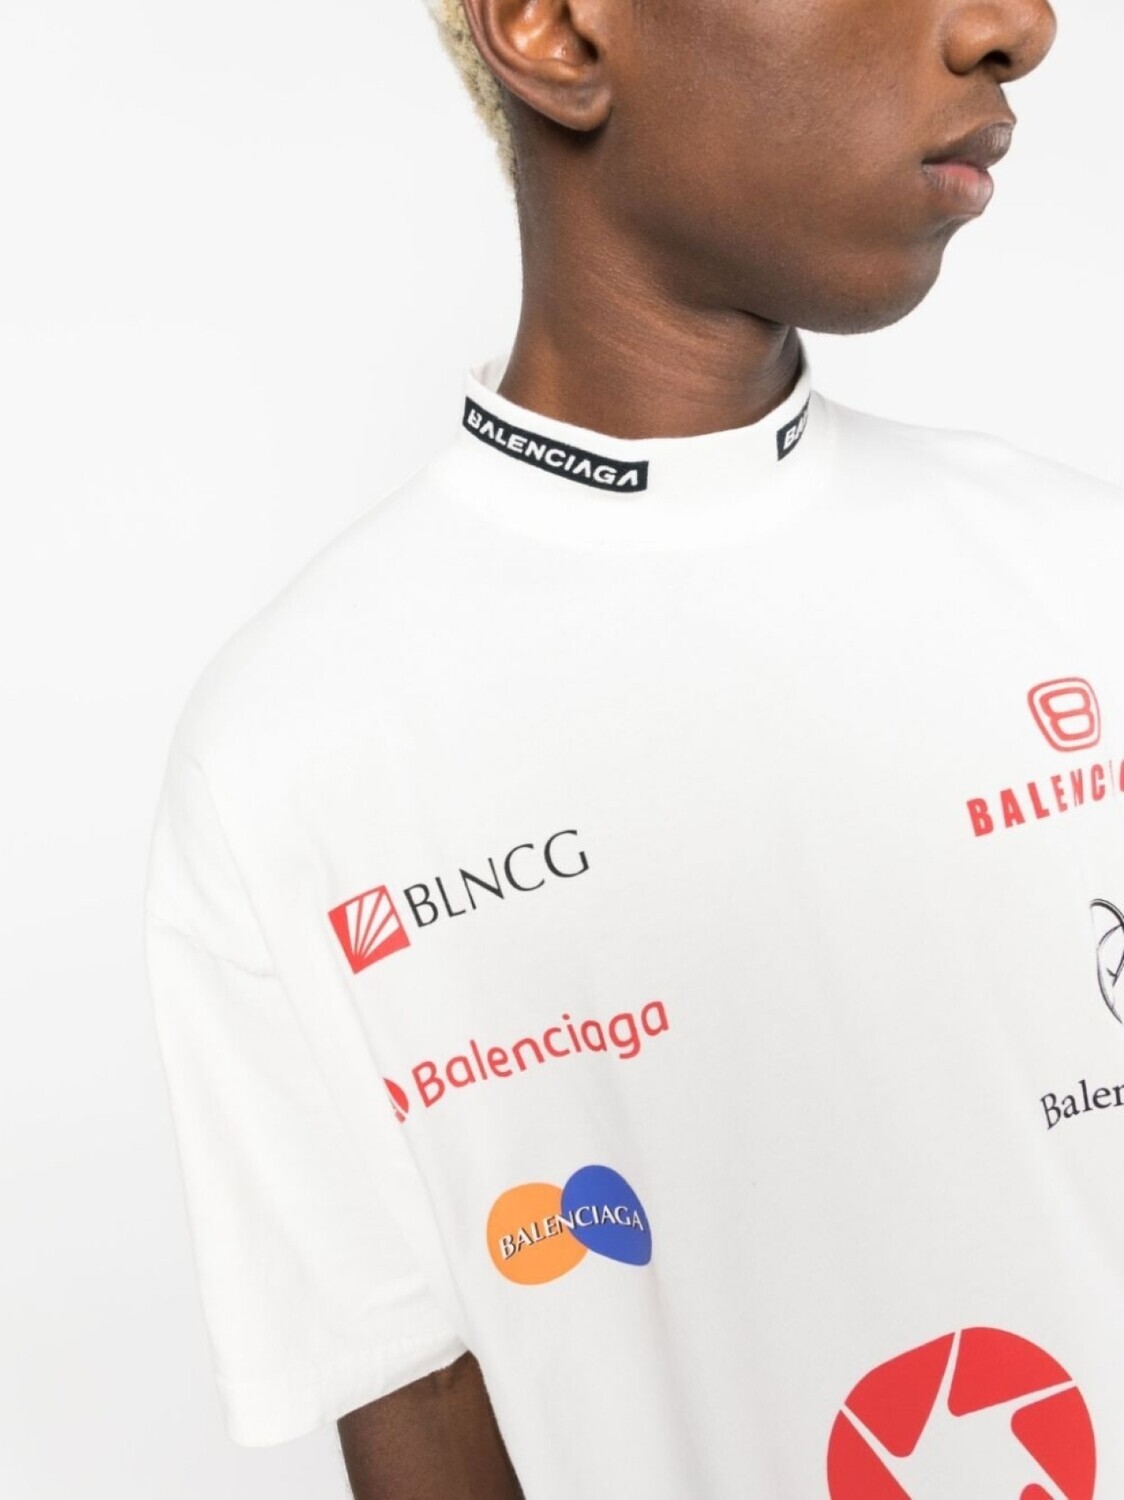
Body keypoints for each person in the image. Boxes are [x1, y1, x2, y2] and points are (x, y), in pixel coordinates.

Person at [141, 0, 1124, 1495]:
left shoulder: (1085, 573)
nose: (1018, 27)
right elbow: (432, 1437)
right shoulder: (291, 759)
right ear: (555, 30)